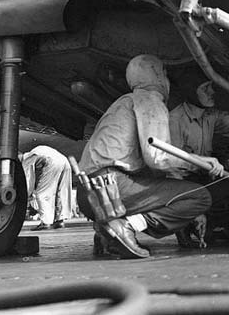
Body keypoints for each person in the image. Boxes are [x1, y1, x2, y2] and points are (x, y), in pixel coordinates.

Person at [77, 54, 214, 258]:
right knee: (199, 196)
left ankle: (105, 234)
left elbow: (151, 169)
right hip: (112, 189)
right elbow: (157, 157)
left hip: (87, 196)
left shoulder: (121, 104)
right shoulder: (150, 100)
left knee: (159, 183)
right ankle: (126, 227)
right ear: (159, 75)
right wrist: (201, 162)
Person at [168, 70, 229, 244]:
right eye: (205, 88)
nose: (212, 92)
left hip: (202, 177)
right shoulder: (175, 119)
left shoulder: (211, 115)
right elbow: (170, 167)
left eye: (211, 87)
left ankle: (217, 228)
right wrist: (192, 207)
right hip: (179, 183)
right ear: (191, 91)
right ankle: (185, 225)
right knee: (218, 190)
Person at [21, 145, 73, 231]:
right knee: (61, 191)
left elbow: (28, 181)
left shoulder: (26, 159)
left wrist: (27, 198)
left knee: (42, 194)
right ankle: (59, 220)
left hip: (52, 162)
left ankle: (46, 223)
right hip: (64, 161)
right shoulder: (35, 151)